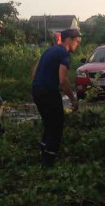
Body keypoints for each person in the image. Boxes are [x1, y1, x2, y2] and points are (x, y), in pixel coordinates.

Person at [31, 28, 82, 167]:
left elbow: (34, 72)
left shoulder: (48, 50)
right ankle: (48, 164)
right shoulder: (63, 54)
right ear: (68, 40)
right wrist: (73, 99)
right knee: (56, 126)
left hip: (36, 90)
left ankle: (43, 153)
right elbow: (63, 80)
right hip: (49, 92)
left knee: (48, 123)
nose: (78, 45)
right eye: (77, 41)